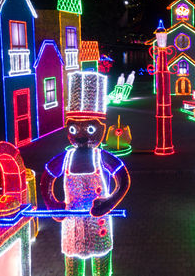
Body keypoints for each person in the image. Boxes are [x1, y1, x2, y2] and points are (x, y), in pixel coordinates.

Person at [41, 71, 130, 276]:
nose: (80, 135)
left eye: (89, 129)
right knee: (72, 271)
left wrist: (110, 202)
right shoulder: (66, 158)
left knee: (102, 269)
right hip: (71, 224)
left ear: (101, 129)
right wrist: (52, 204)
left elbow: (123, 178)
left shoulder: (101, 157)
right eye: (73, 129)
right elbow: (46, 177)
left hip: (99, 224)